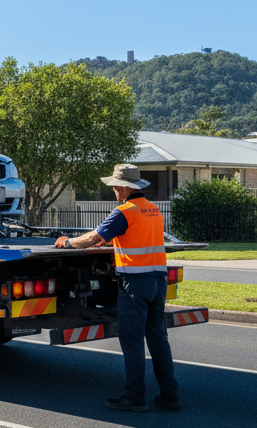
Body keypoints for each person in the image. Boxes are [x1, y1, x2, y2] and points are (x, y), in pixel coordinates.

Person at [55, 163, 180, 412]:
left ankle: (135, 397)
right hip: (157, 280)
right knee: (157, 339)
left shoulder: (125, 211)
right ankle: (170, 395)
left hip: (135, 283)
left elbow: (93, 238)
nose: (113, 190)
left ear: (123, 188)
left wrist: (67, 242)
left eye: (114, 187)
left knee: (132, 341)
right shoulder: (153, 209)